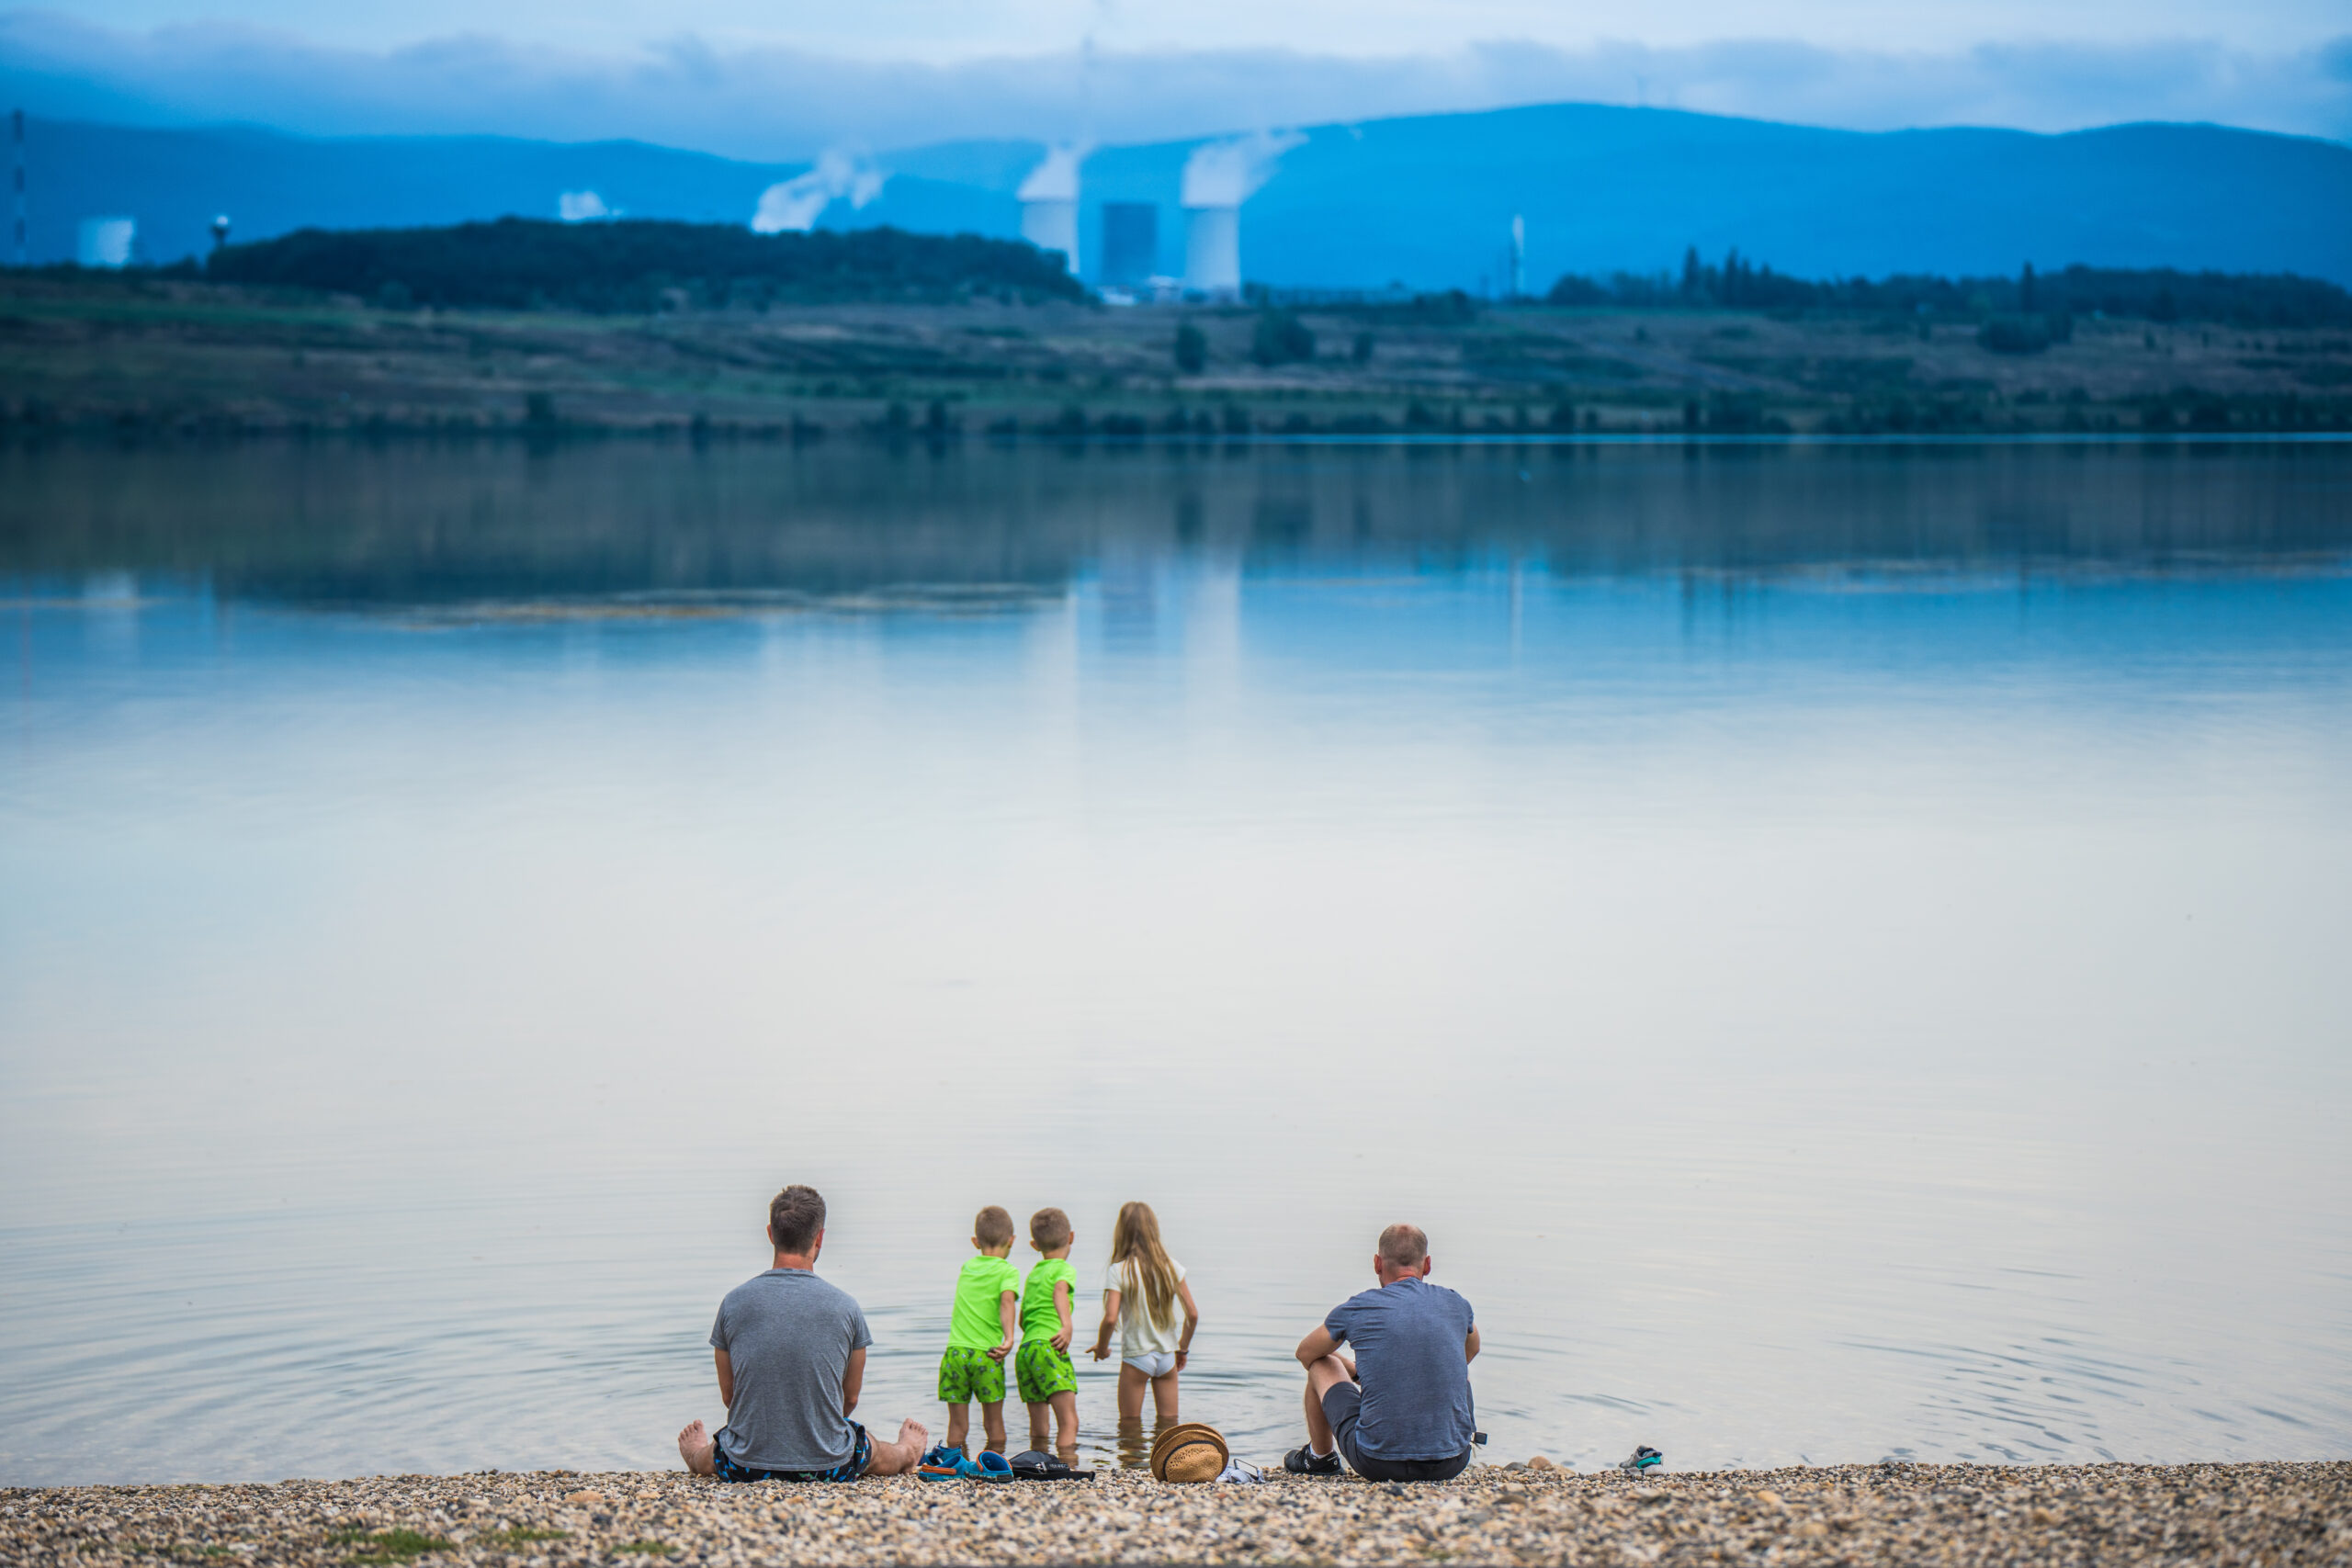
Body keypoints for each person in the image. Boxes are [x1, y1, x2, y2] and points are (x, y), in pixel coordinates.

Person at [678, 1184, 928, 1482]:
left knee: (712, 1453)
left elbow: (731, 1396)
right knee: (875, 1448)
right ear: (820, 1237)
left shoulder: (732, 1303)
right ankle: (908, 1452)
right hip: (829, 1466)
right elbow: (849, 1399)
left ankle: (695, 1456)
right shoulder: (847, 1307)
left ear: (771, 1233)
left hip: (744, 1466)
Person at [1283, 1222, 1479, 1482]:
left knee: (1321, 1363)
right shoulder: (1456, 1303)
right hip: (1452, 1461)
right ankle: (1446, 1437)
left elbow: (1306, 1353)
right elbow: (1472, 1349)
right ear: (1428, 1265)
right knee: (1456, 1368)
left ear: (1377, 1263)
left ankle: (1320, 1459)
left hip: (1378, 1463)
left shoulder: (1360, 1307)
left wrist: (1348, 1368)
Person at [1088, 1200, 1201, 1425]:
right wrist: (1183, 1349)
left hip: (1137, 1357)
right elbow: (1193, 1314)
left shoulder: (1119, 1271)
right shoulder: (1171, 1267)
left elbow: (1110, 1319)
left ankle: (1130, 1460)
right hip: (1167, 1357)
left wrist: (1101, 1348)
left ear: (1122, 1232)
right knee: (1169, 1428)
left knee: (1129, 1427)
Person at [938, 1204, 1022, 1457]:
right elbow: (1007, 1301)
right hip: (986, 1355)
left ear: (976, 1242)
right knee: (994, 1425)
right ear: (1012, 1240)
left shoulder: (967, 1268)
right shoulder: (1008, 1270)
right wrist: (1009, 1338)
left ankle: (954, 1466)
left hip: (955, 1355)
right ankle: (993, 1467)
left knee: (957, 1426)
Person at [1015, 1206, 1081, 1461]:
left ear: (1034, 1245)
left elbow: (1023, 1319)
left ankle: (1038, 1463)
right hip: (1049, 1347)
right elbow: (1060, 1291)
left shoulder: (1033, 1274)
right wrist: (1066, 1325)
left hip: (1027, 1350)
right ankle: (1068, 1466)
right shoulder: (1064, 1269)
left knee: (1039, 1427)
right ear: (1071, 1237)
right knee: (1068, 1422)